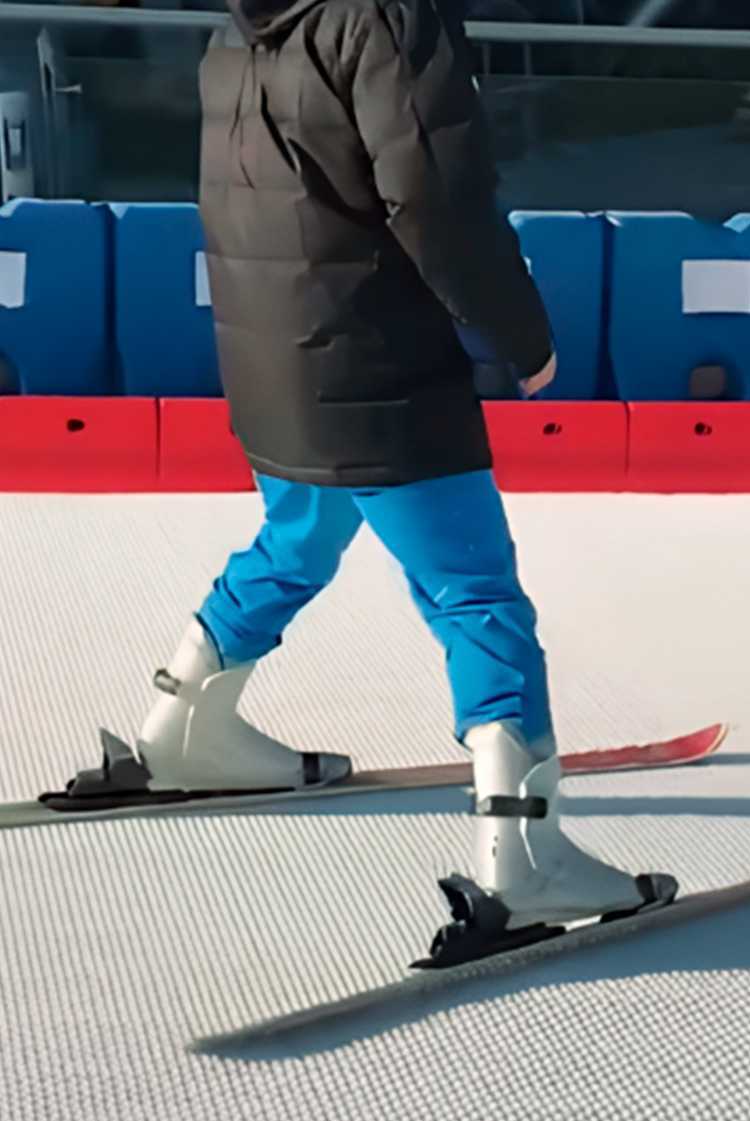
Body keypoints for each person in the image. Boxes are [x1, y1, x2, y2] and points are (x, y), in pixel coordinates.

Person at [135, 0, 674, 952]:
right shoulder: (385, 16)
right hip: (377, 366)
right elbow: (433, 192)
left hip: (272, 355)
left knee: (299, 537)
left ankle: (184, 724)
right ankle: (526, 857)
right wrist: (521, 333)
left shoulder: (243, 25)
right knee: (476, 594)